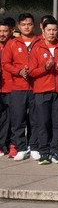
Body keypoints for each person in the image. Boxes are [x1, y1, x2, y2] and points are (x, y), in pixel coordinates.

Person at [28, 17, 58, 164]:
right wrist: (46, 67)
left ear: (57, 31)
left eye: (54, 30)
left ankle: (57, 152)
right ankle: (44, 152)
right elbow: (32, 72)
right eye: (49, 30)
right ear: (43, 31)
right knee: (43, 123)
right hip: (42, 91)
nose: (52, 33)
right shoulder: (37, 47)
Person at [2, 13, 39, 161]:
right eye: (23, 25)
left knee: (35, 120)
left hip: (36, 87)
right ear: (18, 26)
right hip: (18, 87)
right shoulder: (12, 43)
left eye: (29, 24)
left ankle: (34, 147)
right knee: (18, 119)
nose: (26, 27)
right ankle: (20, 147)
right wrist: (18, 71)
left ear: (34, 25)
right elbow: (5, 63)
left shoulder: (39, 41)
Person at [0, 19, 13, 157]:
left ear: (11, 31)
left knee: (8, 118)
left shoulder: (13, 45)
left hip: (10, 88)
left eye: (5, 31)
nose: (2, 34)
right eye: (0, 31)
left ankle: (5, 144)